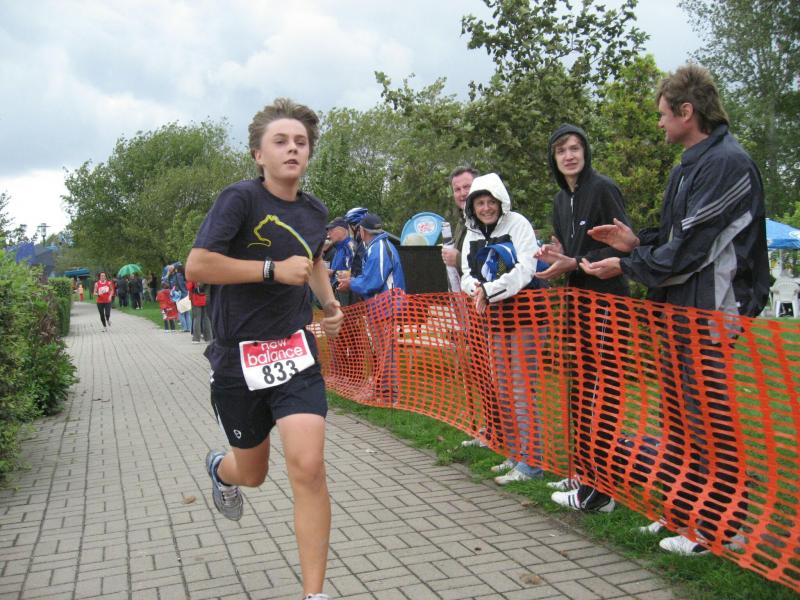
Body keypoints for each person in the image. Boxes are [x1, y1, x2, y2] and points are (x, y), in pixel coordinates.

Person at [581, 64, 769, 555]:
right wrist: (634, 242)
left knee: (710, 422)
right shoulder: (690, 163)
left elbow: (689, 252)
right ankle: (685, 512)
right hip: (679, 313)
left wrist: (627, 263)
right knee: (680, 419)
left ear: (687, 112)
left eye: (664, 114)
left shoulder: (727, 163)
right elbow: (673, 238)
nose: (660, 122)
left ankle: (722, 529)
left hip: (711, 313)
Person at [185, 97, 344, 600]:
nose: (292, 148)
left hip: (294, 353)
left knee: (309, 467)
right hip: (238, 359)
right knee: (252, 473)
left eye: (301, 142)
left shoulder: (315, 211)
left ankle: (314, 595)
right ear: (259, 154)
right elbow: (198, 265)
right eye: (281, 141)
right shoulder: (239, 200)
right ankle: (221, 469)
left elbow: (314, 261)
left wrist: (329, 303)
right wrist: (270, 270)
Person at [534, 124, 632, 513]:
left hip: (607, 305)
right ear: (554, 159)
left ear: (585, 152)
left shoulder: (603, 189)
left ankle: (601, 493)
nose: (569, 155)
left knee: (602, 394)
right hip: (577, 305)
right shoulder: (561, 200)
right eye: (561, 151)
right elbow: (570, 251)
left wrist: (574, 261)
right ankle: (585, 472)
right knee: (581, 390)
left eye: (575, 148)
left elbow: (623, 247)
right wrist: (556, 255)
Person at [460, 173, 544, 485]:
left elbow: (526, 268)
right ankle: (515, 453)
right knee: (504, 389)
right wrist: (476, 290)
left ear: (500, 201)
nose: (486, 208)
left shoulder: (518, 224)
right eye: (480, 203)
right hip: (495, 319)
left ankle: (532, 462)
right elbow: (466, 272)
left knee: (521, 388)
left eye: (490, 202)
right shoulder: (472, 233)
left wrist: (490, 291)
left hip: (526, 317)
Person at [337, 212, 406, 403]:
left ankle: (389, 395)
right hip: (379, 308)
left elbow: (372, 282)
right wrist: (352, 280)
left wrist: (350, 283)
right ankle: (382, 391)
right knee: (382, 351)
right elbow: (370, 278)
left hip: (385, 308)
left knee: (386, 353)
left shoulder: (379, 248)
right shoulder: (376, 246)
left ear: (362, 230)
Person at [442, 166, 478, 276]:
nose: (462, 193)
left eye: (467, 187)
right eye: (457, 189)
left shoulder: (487, 219)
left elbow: (492, 264)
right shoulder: (461, 221)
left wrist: (458, 259)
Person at [326, 217, 355, 306]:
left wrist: (333, 272)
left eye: (331, 230)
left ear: (341, 231)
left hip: (348, 296)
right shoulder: (339, 248)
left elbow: (355, 273)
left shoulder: (350, 247)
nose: (328, 234)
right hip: (338, 293)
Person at [187, 280, 212, 344]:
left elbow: (189, 287)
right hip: (207, 297)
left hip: (196, 298)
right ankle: (208, 338)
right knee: (206, 318)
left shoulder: (195, 276)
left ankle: (196, 338)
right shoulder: (208, 276)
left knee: (197, 318)